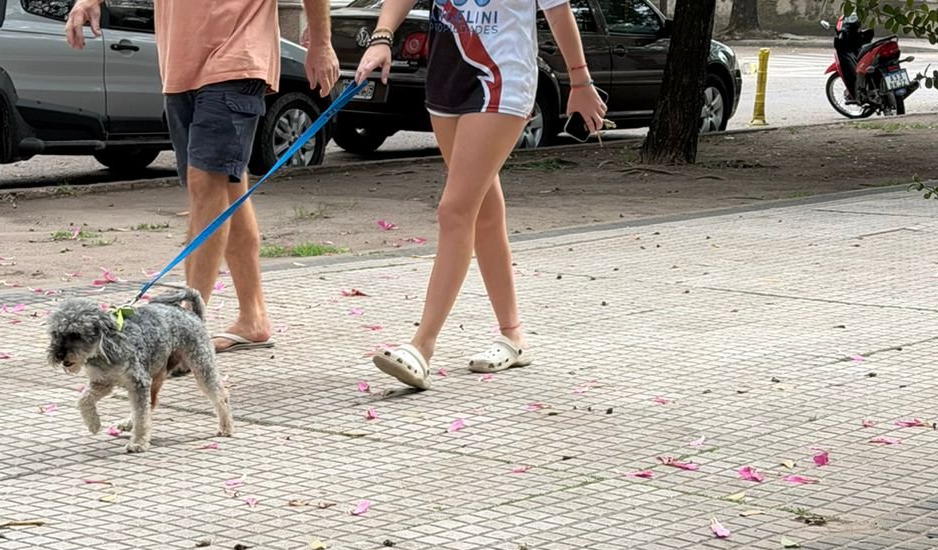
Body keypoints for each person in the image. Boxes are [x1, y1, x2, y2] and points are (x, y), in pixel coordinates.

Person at [356, 0, 606, 389]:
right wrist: (382, 37)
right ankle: (514, 336)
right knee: (483, 211)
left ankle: (422, 345)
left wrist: (580, 81)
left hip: (501, 81)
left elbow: (558, 11)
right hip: (445, 80)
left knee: (454, 211)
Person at [66, 0, 340, 353]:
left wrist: (320, 43)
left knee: (205, 187)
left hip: (236, 57)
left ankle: (186, 331)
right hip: (179, 62)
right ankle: (253, 317)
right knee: (228, 188)